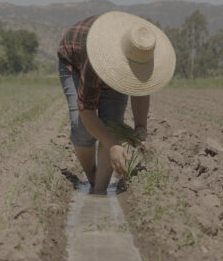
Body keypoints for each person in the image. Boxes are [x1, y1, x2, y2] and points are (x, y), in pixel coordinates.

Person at [58, 11, 176, 193]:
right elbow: (86, 110)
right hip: (75, 60)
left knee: (112, 126)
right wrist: (113, 145)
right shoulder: (95, 56)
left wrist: (141, 126)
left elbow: (140, 87)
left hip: (110, 60)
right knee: (81, 128)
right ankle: (92, 177)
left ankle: (99, 190)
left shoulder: (141, 52)